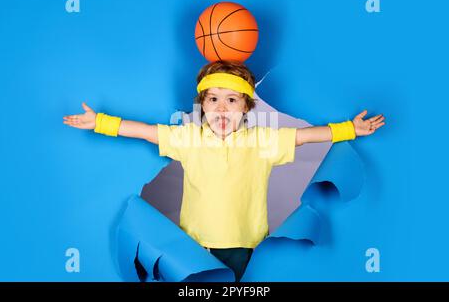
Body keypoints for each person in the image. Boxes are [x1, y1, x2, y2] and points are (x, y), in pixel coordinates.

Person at [63, 60, 385, 282]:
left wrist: (349, 129)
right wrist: (100, 123)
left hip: (243, 243)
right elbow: (145, 131)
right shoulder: (187, 137)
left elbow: (306, 137)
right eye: (213, 99)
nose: (220, 107)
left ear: (245, 107)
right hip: (195, 240)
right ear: (202, 104)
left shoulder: (262, 140)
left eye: (231, 100)